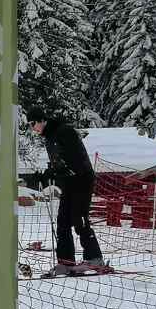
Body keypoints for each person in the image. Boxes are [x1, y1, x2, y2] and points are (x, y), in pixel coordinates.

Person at [29, 114, 108, 276]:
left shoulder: (64, 131)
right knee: (63, 221)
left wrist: (59, 170)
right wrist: (47, 173)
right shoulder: (50, 137)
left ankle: (94, 258)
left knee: (79, 219)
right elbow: (59, 161)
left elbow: (75, 157)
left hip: (81, 179)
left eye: (33, 123)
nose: (32, 128)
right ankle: (66, 261)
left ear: (42, 120)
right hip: (68, 181)